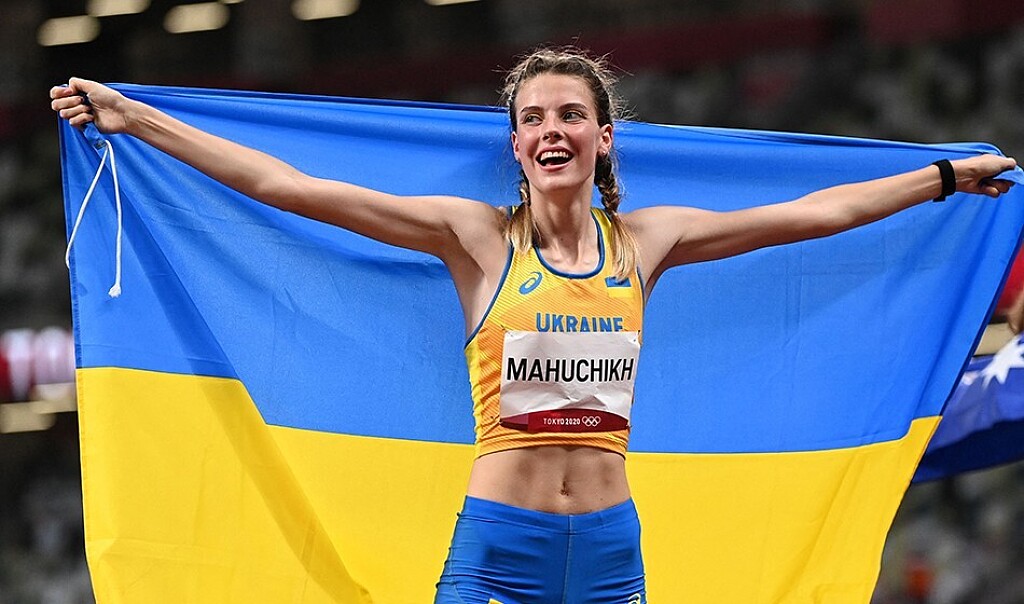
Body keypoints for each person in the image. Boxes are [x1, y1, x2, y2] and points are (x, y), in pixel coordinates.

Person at [50, 48, 1016, 604]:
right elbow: (290, 187)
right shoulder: (475, 239)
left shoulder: (648, 242)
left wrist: (940, 178)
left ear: (603, 136)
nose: (553, 129)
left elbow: (814, 215)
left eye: (571, 114)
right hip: (498, 549)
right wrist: (139, 120)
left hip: (610, 552)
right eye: (534, 118)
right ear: (516, 145)